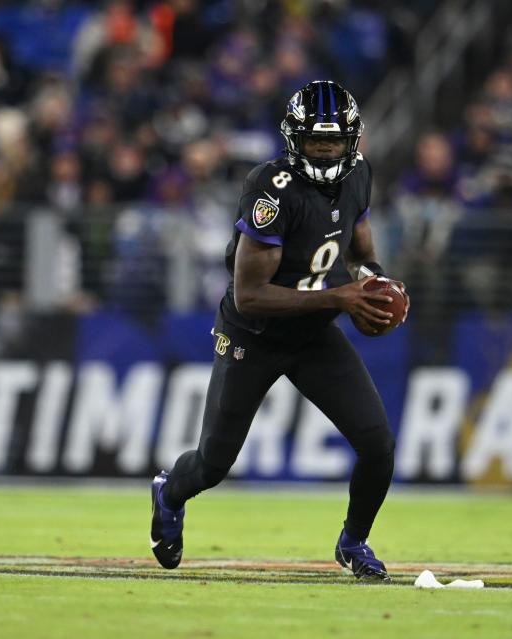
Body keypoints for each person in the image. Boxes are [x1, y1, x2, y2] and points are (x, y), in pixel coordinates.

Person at [149, 80, 408, 581]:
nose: (327, 152)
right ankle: (169, 491)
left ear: (352, 141)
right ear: (295, 140)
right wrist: (341, 297)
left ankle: (353, 542)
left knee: (378, 445)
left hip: (312, 333)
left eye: (334, 143)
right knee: (212, 464)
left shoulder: (358, 174)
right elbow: (250, 294)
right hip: (255, 335)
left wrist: (372, 282)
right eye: (316, 142)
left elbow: (358, 252)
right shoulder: (271, 189)